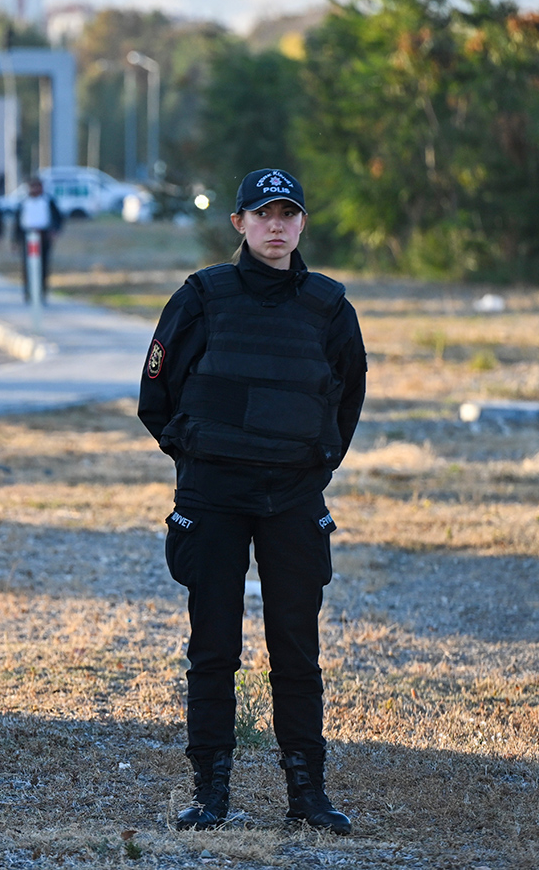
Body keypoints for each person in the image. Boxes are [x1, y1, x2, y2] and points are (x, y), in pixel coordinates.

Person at [138, 168, 366, 835]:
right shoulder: (202, 297)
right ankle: (210, 790)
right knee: (213, 647)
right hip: (213, 495)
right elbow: (156, 395)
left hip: (293, 497)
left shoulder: (328, 307)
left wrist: (311, 465)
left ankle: (307, 793)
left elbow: (345, 402)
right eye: (262, 213)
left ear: (302, 223)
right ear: (238, 222)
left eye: (287, 213)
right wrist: (201, 457)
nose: (275, 225)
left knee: (297, 647)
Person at [12, 176, 62, 303]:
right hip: (27, 236)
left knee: (43, 266)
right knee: (27, 266)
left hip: (43, 236)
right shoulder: (23, 202)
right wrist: (15, 241)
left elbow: (59, 219)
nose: (35, 189)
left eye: (37, 186)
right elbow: (16, 224)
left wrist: (54, 231)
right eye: (33, 186)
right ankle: (28, 293)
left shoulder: (48, 201)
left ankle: (42, 293)